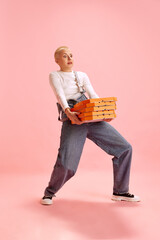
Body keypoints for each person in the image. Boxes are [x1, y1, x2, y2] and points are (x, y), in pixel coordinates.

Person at [40, 46, 140, 205]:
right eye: (65, 56)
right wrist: (68, 111)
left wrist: (104, 112)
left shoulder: (82, 75)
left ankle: (120, 191)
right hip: (73, 116)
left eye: (71, 55)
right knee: (67, 163)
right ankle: (49, 193)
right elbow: (59, 94)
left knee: (124, 148)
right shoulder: (54, 75)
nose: (69, 58)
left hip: (90, 114)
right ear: (57, 60)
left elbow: (92, 94)